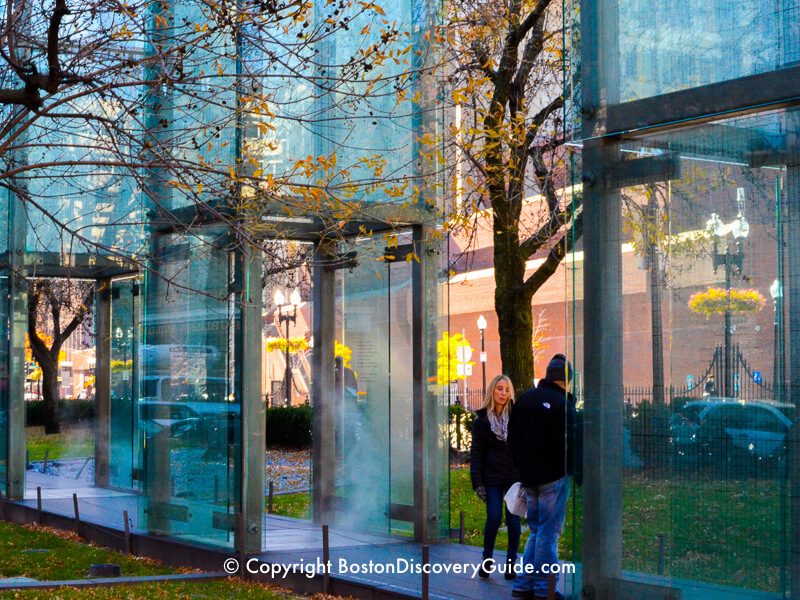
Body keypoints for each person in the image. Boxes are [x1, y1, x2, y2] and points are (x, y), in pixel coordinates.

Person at [508, 354, 582, 600]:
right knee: (549, 534)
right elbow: (572, 444)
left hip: (529, 477)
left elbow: (513, 439)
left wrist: (520, 469)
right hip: (553, 477)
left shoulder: (526, 399)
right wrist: (576, 472)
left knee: (536, 531)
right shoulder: (563, 404)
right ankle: (544, 588)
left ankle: (523, 583)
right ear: (566, 381)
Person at [470, 374, 521, 580]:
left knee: (513, 520)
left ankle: (511, 564)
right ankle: (487, 561)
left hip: (514, 477)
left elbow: (524, 447)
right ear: (493, 390)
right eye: (500, 389)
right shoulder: (481, 420)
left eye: (507, 390)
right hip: (491, 476)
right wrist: (477, 483)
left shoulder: (517, 416)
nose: (503, 393)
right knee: (493, 517)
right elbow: (476, 453)